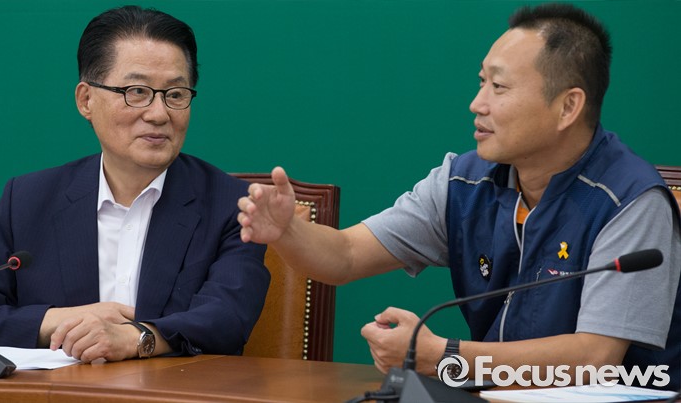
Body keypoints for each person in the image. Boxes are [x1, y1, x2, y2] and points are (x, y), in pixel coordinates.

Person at [238, 3, 681, 390]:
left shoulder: (631, 200)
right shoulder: (464, 181)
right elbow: (346, 255)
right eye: (481, 82)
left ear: (568, 106)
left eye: (498, 87)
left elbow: (594, 360)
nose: (477, 103)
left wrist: (443, 356)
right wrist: (288, 232)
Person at [0, 6, 270, 363]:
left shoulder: (234, 206)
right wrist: (56, 320)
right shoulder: (27, 201)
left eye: (175, 94)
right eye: (137, 91)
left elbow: (227, 319)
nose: (159, 113)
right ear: (86, 100)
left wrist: (136, 338)